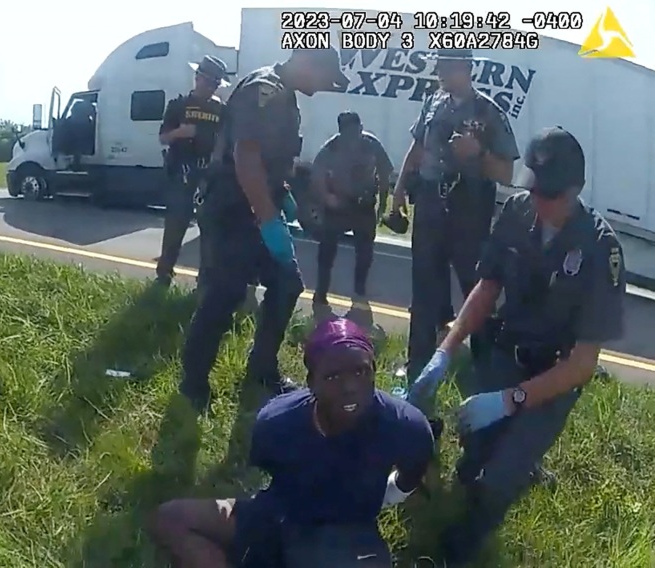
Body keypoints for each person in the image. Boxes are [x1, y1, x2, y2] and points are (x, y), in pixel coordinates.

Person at [406, 127, 626, 565]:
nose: (541, 202)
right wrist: (445, 350)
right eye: (536, 190)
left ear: (576, 189)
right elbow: (488, 286)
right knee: (474, 453)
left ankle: (460, 547)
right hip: (509, 350)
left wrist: (511, 400)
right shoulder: (518, 212)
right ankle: (496, 463)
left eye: (552, 195)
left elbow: (582, 364)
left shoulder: (601, 250)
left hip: (554, 373)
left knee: (500, 478)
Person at [149, 317, 436, 567]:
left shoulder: (405, 426)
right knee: (172, 518)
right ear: (311, 382)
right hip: (278, 516)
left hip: (348, 534)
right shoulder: (277, 421)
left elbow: (411, 473)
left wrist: (389, 494)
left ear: (374, 369)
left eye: (361, 372)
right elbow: (267, 469)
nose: (350, 387)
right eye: (333, 376)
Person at [179, 47, 351, 410]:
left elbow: (272, 161)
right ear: (306, 64)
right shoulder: (265, 89)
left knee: (287, 285)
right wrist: (269, 219)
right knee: (223, 296)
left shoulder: (285, 96)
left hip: (259, 204)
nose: (323, 88)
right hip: (232, 209)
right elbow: (246, 158)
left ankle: (262, 368)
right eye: (323, 79)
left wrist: (283, 197)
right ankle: (193, 385)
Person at [391, 48, 520, 387]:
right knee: (424, 288)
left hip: (470, 209)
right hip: (431, 204)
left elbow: (507, 172)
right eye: (438, 63)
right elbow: (418, 147)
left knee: (474, 287)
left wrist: (479, 153)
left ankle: (485, 366)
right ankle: (417, 366)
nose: (438, 70)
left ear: (465, 68)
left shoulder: (489, 112)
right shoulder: (434, 101)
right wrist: (399, 188)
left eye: (445, 64)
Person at [155, 55, 230, 290]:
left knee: (210, 230)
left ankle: (205, 280)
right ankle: (164, 274)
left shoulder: (221, 110)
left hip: (210, 175)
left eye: (215, 84)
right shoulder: (178, 105)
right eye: (208, 82)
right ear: (197, 78)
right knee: (176, 225)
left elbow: (228, 140)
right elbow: (162, 137)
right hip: (182, 173)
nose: (211, 87)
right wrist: (180, 133)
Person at [308, 111, 394, 304]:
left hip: (363, 206)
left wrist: (382, 204)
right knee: (327, 251)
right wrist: (326, 198)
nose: (353, 137)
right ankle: (321, 292)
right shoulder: (332, 147)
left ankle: (360, 291)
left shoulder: (371, 145)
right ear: (341, 132)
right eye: (349, 133)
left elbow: (385, 174)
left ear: (361, 128)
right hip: (339, 205)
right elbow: (317, 175)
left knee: (365, 252)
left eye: (357, 131)